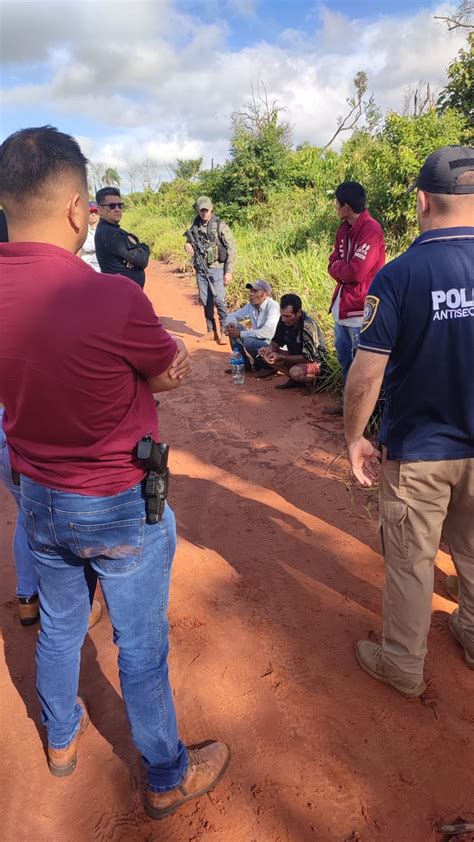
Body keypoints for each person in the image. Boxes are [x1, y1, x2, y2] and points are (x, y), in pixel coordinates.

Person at [0, 126, 230, 817]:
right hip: (118, 502)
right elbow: (164, 375)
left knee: (62, 626)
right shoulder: (113, 298)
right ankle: (166, 773)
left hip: (37, 495)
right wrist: (166, 375)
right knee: (141, 646)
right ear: (79, 209)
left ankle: (62, 742)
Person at [344, 145, 474, 697]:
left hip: (421, 450)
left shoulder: (399, 277)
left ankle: (402, 662)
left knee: (412, 560)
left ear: (422, 200)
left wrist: (354, 437)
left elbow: (366, 375)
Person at [1, 410, 102, 629]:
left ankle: (27, 599)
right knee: (72, 516)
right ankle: (76, 610)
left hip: (6, 433)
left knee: (25, 515)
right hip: (40, 441)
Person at [325, 181, 385, 415]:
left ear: (346, 207)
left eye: (337, 204)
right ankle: (347, 406)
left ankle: (365, 413)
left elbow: (357, 272)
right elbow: (333, 262)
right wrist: (342, 269)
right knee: (345, 362)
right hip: (342, 307)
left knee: (363, 367)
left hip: (361, 310)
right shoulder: (344, 229)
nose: (336, 208)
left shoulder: (370, 230)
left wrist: (341, 269)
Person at [184, 195, 236, 345]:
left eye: (206, 210)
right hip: (201, 268)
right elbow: (189, 242)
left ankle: (224, 331)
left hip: (217, 269)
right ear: (198, 210)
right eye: (201, 211)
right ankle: (210, 331)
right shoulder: (195, 225)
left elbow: (231, 249)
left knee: (219, 299)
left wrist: (229, 271)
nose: (204, 213)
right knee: (205, 299)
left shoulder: (220, 225)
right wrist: (187, 246)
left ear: (211, 208)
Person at [258, 293, 326, 390]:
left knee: (295, 372)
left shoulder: (307, 325)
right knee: (266, 355)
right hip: (296, 356)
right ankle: (295, 380)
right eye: (282, 315)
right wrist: (269, 348)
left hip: (315, 362)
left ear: (298, 312)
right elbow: (276, 341)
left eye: (287, 316)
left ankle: (317, 382)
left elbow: (309, 357)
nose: (283, 319)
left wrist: (282, 357)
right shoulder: (283, 320)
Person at [95, 187, 150, 288]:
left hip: (125, 294)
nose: (117, 209)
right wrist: (143, 248)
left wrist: (139, 250)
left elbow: (138, 258)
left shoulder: (113, 230)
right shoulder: (110, 233)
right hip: (121, 295)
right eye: (112, 206)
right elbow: (142, 259)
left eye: (120, 205)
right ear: (100, 210)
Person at [225, 279, 280, 372]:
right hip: (259, 340)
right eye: (251, 291)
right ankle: (244, 365)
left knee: (249, 342)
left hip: (271, 344)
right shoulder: (251, 306)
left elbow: (267, 333)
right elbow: (232, 315)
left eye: (255, 291)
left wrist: (241, 334)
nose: (251, 294)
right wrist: (231, 324)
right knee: (233, 329)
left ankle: (268, 367)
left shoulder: (273, 306)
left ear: (265, 295)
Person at [81, 200, 100, 271]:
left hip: (102, 266)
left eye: (96, 212)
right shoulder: (82, 229)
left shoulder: (104, 228)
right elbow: (86, 247)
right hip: (87, 265)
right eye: (91, 212)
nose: (93, 214)